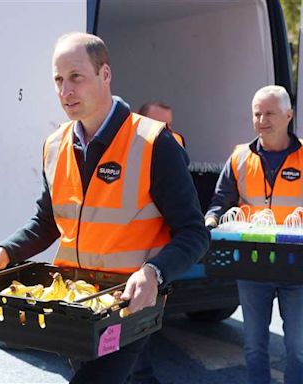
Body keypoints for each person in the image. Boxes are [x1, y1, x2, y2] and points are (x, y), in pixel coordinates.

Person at [0, 32, 209, 384]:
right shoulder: (55, 145)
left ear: (105, 75)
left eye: (76, 77)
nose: (65, 91)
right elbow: (46, 222)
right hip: (74, 306)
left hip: (128, 306)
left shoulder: (153, 142)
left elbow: (194, 233)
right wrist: (5, 252)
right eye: (58, 80)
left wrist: (154, 272)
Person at [205, 85, 303, 384]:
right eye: (257, 113)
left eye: (270, 113)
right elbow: (219, 203)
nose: (262, 120)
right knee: (254, 346)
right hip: (251, 262)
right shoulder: (238, 158)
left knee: (298, 347)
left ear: (289, 115)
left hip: (296, 264)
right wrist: (211, 222)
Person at [128, 101, 185, 384]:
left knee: (140, 341)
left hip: (153, 266)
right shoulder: (130, 150)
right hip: (124, 267)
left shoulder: (171, 148)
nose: (168, 132)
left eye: (170, 125)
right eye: (161, 125)